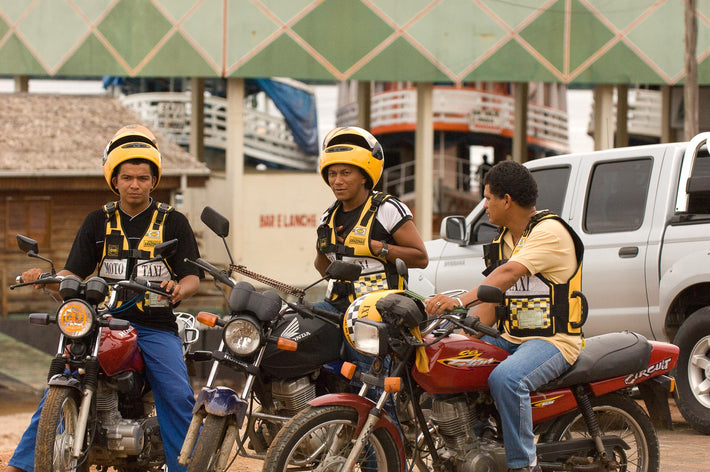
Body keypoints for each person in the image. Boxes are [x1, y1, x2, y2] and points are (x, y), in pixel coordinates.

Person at [5, 124, 203, 472]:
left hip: (156, 326)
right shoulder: (97, 221)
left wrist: (178, 289)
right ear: (114, 180)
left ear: (154, 180)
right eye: (127, 177)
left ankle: (185, 468)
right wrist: (47, 278)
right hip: (104, 324)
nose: (135, 184)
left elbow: (192, 277)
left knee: (177, 394)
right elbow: (72, 274)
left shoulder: (173, 222)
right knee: (65, 374)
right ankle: (25, 465)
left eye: (143, 177)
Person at [425, 160, 584, 472]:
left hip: (553, 341)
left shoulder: (548, 232)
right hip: (512, 339)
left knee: (506, 379)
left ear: (506, 200)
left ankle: (523, 464)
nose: (484, 206)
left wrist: (457, 302)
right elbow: (492, 302)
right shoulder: (502, 240)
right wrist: (462, 336)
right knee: (458, 362)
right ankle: (479, 444)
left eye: (487, 198)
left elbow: (508, 274)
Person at [314, 126, 428, 374]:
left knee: (370, 377)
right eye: (332, 174)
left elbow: (421, 258)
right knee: (295, 326)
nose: (337, 181)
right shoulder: (328, 216)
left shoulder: (388, 209)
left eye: (345, 173)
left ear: (365, 176)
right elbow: (322, 268)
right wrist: (324, 245)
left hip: (379, 310)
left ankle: (384, 409)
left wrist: (377, 247)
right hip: (337, 307)